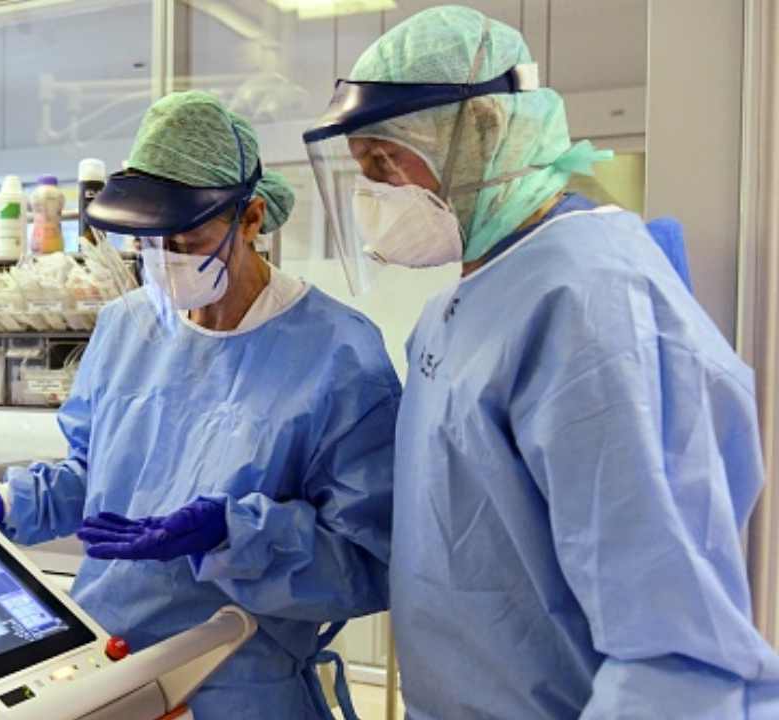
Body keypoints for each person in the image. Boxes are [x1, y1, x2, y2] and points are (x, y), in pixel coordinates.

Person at [298, 6, 779, 718]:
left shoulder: (590, 304)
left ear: (484, 131)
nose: (373, 192)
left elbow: (672, 656)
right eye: (362, 168)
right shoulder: (456, 308)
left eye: (383, 161)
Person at [0, 91, 399, 720]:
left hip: (239, 684)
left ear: (250, 219)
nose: (165, 260)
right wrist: (7, 503)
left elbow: (367, 557)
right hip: (109, 674)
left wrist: (234, 534)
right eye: (149, 241)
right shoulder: (126, 327)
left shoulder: (338, 353)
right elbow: (98, 478)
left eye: (188, 240)